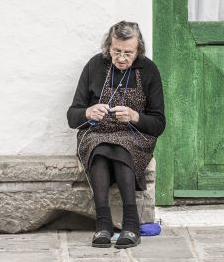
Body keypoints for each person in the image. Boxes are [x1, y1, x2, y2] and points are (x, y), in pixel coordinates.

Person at [67, 21, 165, 249]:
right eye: (116, 51)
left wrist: (134, 116)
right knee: (100, 150)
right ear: (108, 48)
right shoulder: (94, 66)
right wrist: (88, 111)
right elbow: (73, 117)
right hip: (96, 133)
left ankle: (131, 224)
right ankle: (103, 223)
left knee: (121, 148)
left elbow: (159, 123)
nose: (121, 58)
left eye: (128, 53)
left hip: (135, 137)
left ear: (138, 50)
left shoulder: (148, 70)